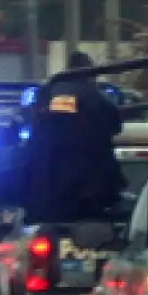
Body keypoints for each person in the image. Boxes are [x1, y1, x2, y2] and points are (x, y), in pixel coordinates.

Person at [27, 51, 126, 221]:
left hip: (52, 177)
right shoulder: (89, 94)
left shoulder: (52, 90)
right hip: (82, 174)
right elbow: (114, 124)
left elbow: (45, 123)